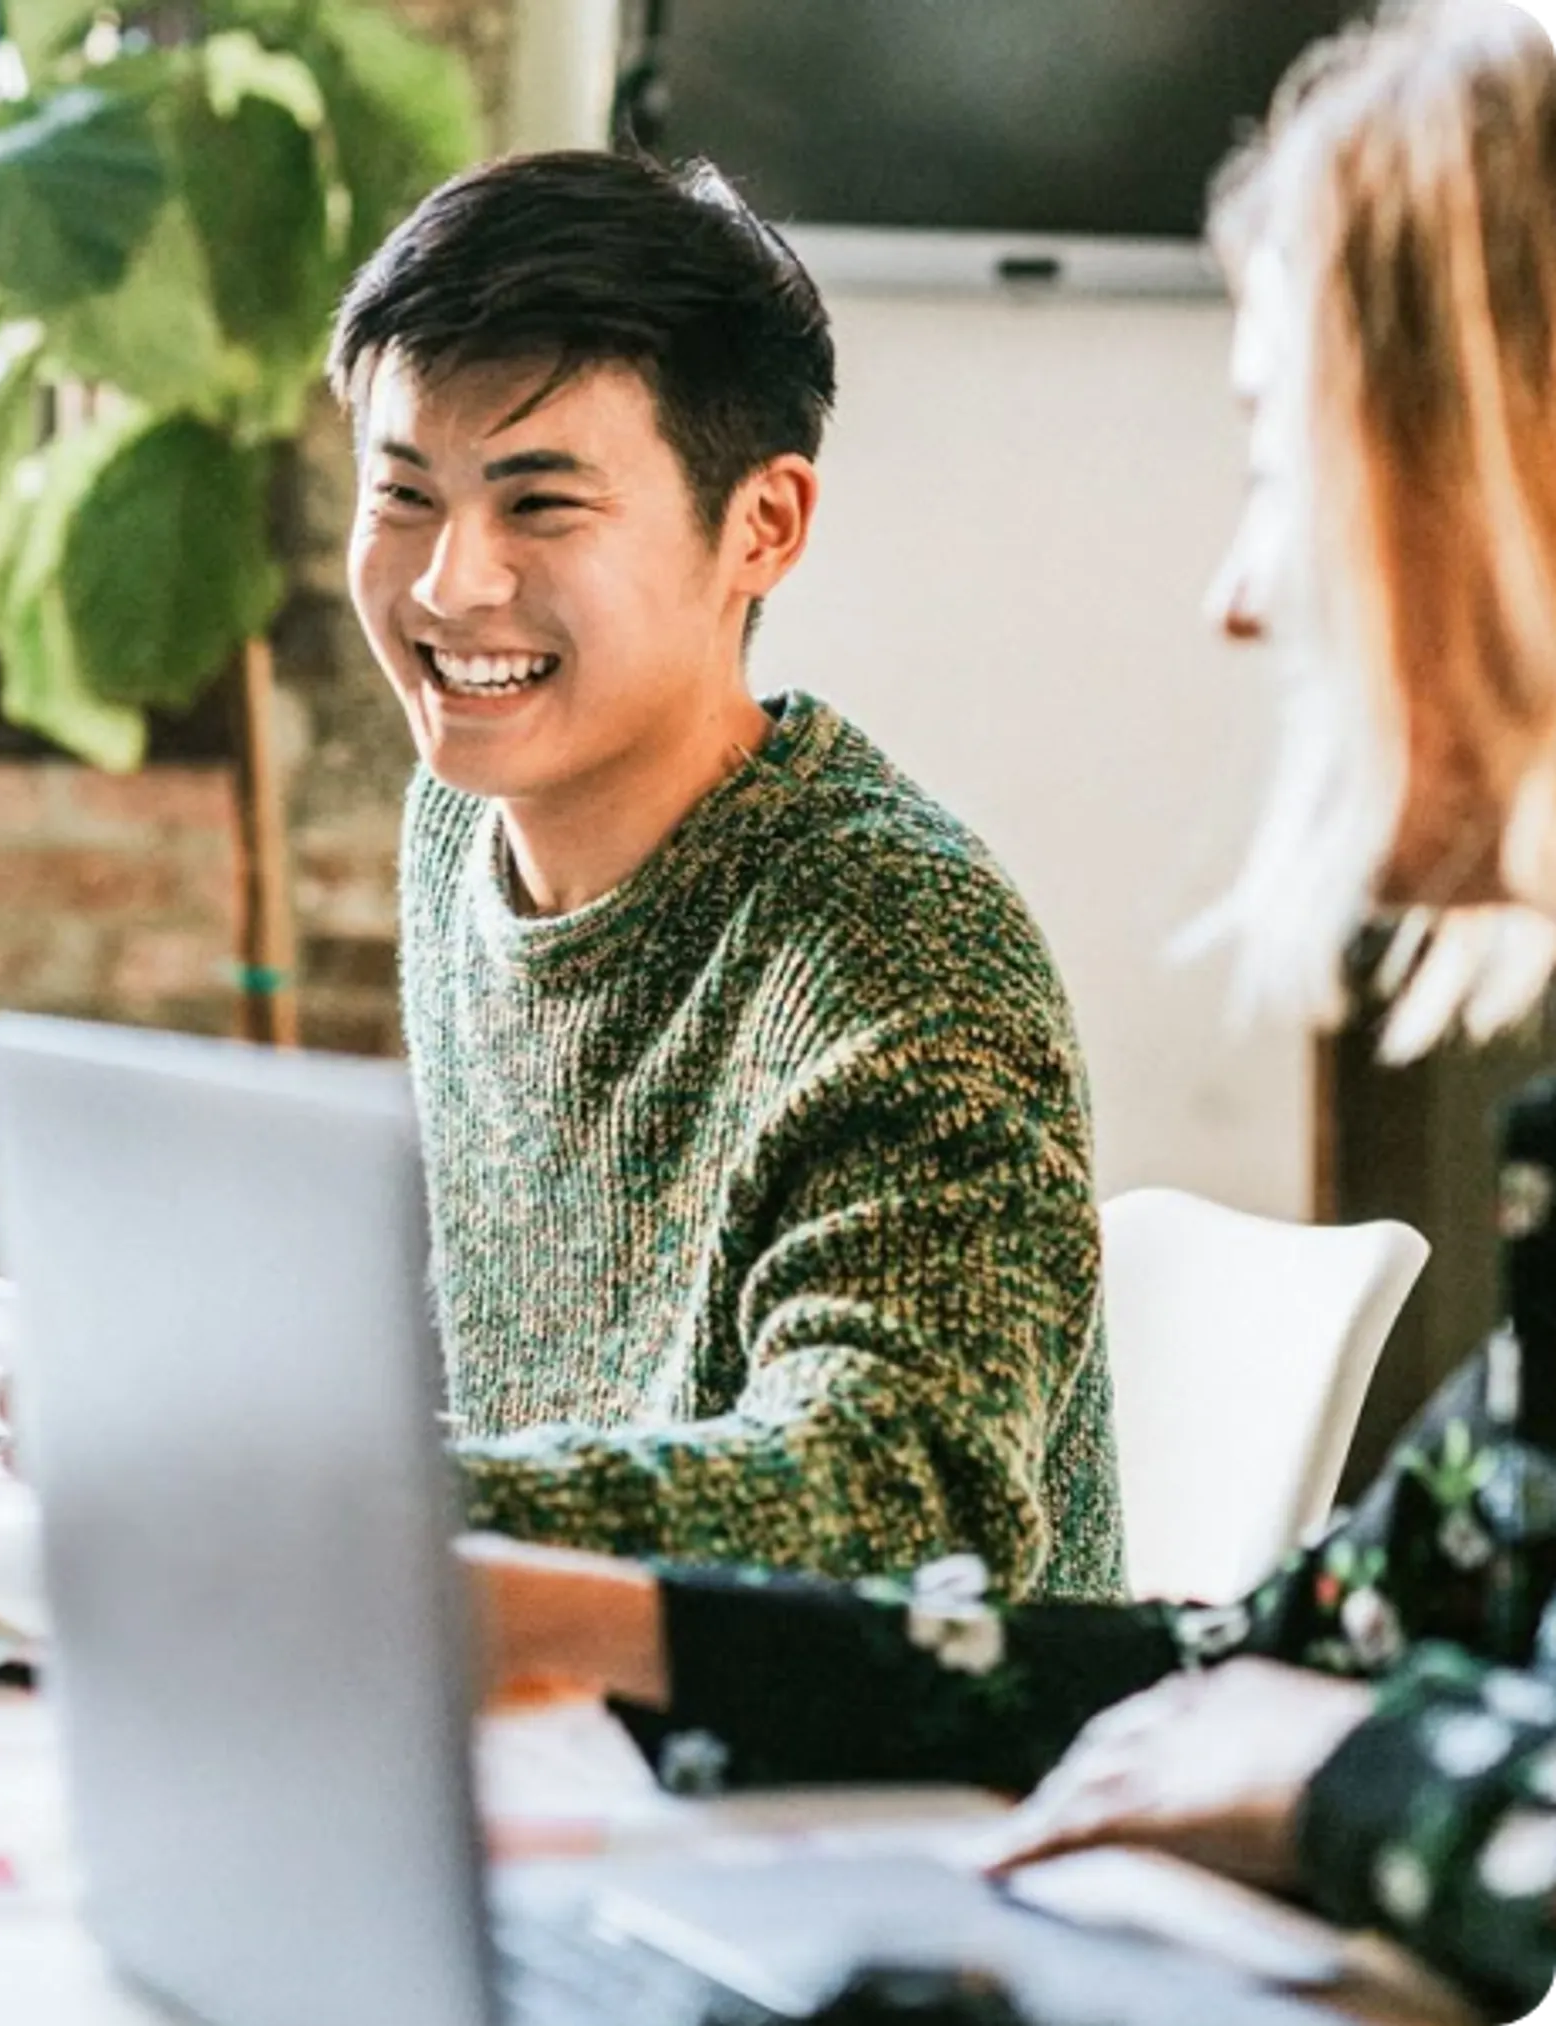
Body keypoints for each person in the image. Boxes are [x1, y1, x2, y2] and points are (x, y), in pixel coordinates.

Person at [460, 2, 1556, 2016]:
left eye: (1287, 466)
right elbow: (1257, 1670)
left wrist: (1342, 1771)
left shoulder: (887, 926)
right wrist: (591, 1618)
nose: (1242, 589)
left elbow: (1307, 1722)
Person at [327, 151, 1124, 1594]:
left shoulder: (899, 942)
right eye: (403, 495)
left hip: (865, 1735)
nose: (449, 583)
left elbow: (891, 1501)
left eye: (539, 504)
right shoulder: (459, 831)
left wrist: (345, 1493)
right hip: (553, 1690)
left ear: (763, 526)